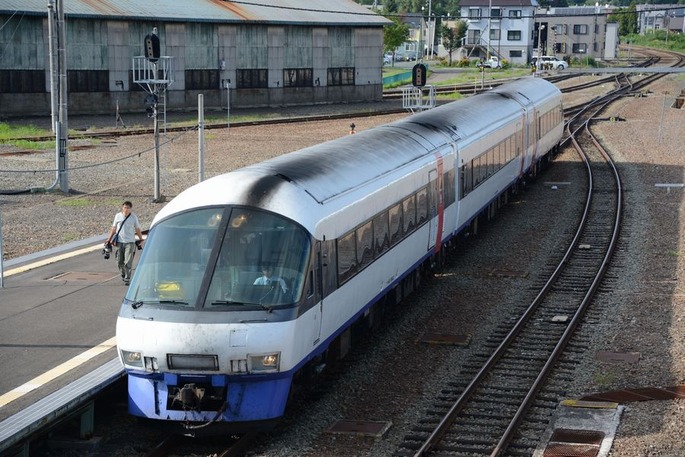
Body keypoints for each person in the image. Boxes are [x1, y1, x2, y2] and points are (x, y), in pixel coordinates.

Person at [106, 201, 144, 285]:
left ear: (130, 209)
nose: (126, 209)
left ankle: (127, 278)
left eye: (128, 208)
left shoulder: (134, 217)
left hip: (130, 242)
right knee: (119, 261)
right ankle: (123, 273)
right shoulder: (118, 216)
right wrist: (109, 239)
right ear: (122, 208)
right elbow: (114, 228)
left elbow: (137, 229)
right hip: (119, 242)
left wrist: (141, 239)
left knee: (128, 261)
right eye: (124, 207)